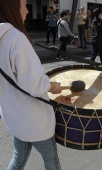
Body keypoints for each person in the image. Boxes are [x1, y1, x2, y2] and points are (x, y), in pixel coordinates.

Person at [0, 0, 62, 169]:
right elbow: (36, 85)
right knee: (51, 161)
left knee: (18, 158)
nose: (27, 11)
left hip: (14, 118)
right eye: (24, 4)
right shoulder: (16, 38)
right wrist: (53, 86)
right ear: (13, 7)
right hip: (34, 121)